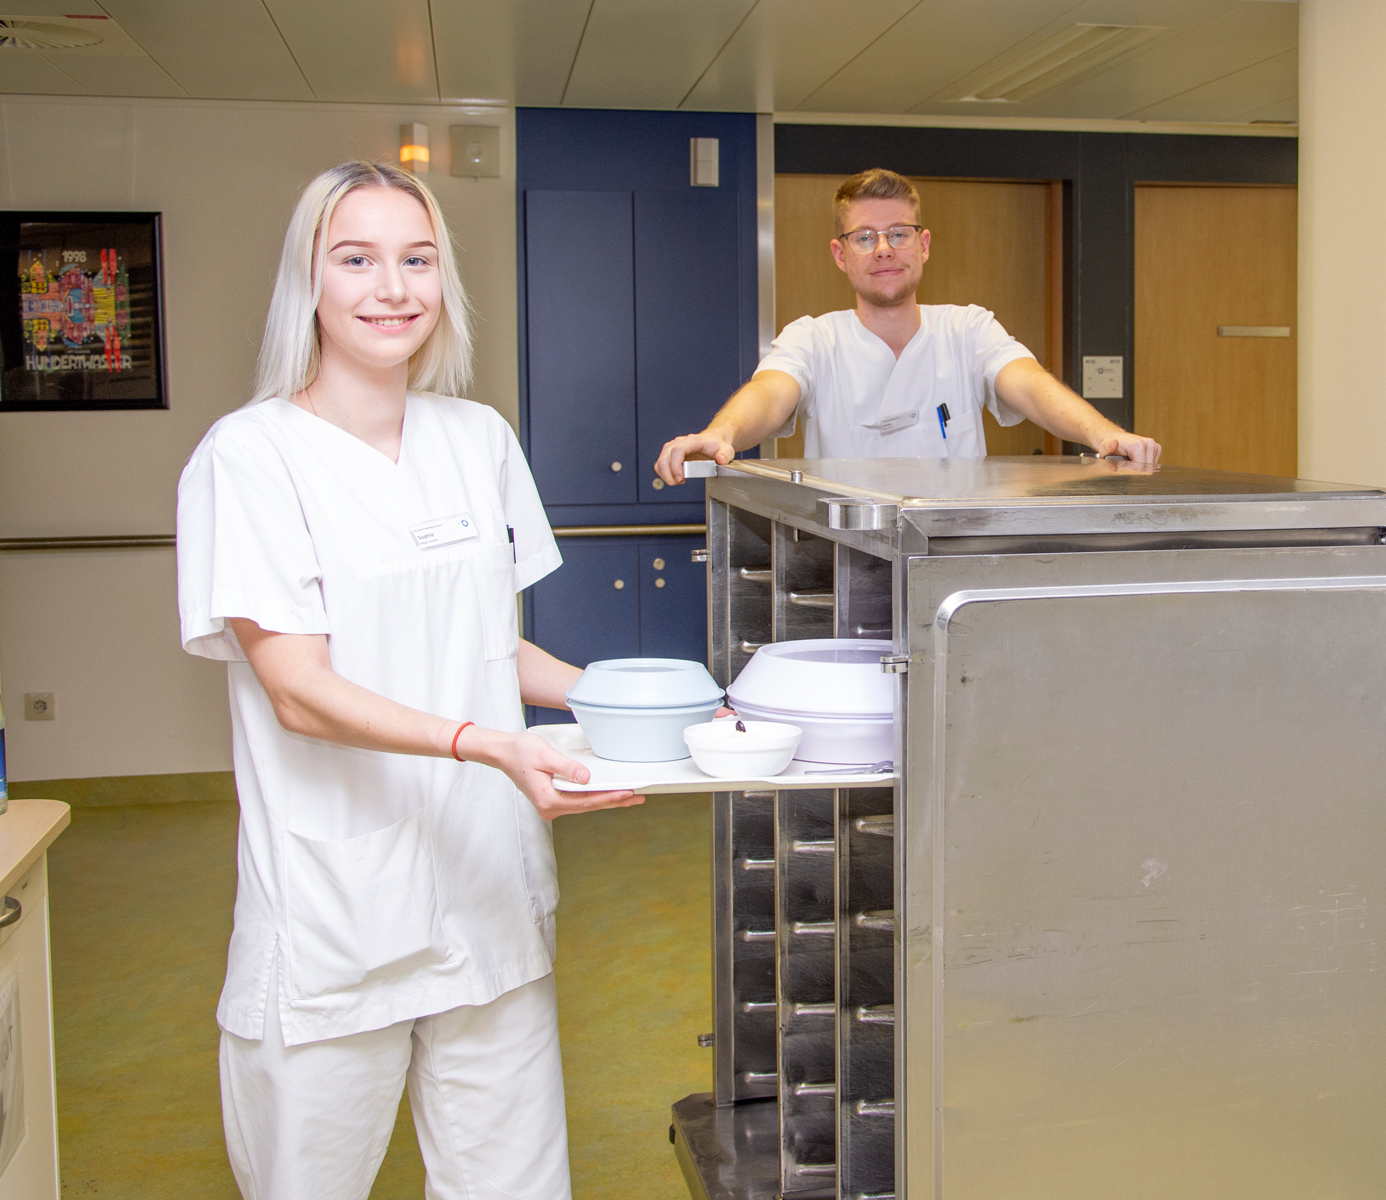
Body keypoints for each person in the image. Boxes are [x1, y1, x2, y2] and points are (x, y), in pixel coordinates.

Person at [175, 161, 641, 1200]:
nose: (393, 288)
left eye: (416, 259)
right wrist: (486, 743)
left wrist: (632, 699)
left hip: (487, 888)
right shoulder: (249, 459)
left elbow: (489, 647)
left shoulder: (478, 441)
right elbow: (296, 685)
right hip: (338, 909)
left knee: (513, 1186)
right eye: (358, 259)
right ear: (311, 280)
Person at [656, 167, 1161, 484]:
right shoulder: (814, 338)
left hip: (954, 561)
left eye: (899, 233)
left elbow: (1029, 385)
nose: (883, 249)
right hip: (847, 563)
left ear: (923, 245)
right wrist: (720, 433)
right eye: (864, 237)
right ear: (840, 254)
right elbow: (770, 393)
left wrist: (1103, 435)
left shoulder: (968, 329)